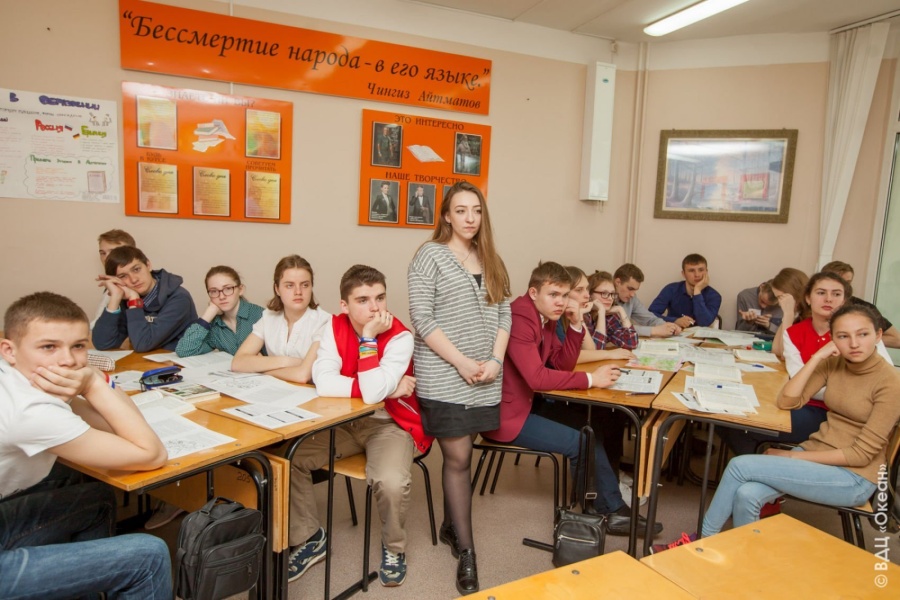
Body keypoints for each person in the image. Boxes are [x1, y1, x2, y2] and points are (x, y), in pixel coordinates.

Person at [653, 304, 900, 552]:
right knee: (747, 494)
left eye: (863, 334)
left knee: (739, 466)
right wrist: (816, 358)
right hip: (817, 452)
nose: (854, 344)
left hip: (854, 476)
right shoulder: (835, 364)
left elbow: (860, 455)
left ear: (878, 335)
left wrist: (790, 456)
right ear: (833, 339)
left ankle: (700, 543)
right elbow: (787, 401)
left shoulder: (891, 383)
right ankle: (747, 562)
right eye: (843, 336)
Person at [0, 291, 171, 598]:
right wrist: (92, 382)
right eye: (49, 347)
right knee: (150, 556)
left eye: (78, 346)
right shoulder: (30, 410)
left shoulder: (15, 378)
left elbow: (111, 425)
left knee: (97, 499)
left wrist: (94, 384)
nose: (68, 360)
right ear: (9, 350)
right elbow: (152, 454)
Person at [483, 262, 662, 538]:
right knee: (581, 441)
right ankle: (608, 510)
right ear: (534, 292)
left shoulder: (547, 316)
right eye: (554, 294)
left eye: (565, 295)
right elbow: (536, 378)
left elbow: (561, 363)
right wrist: (591, 380)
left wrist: (577, 325)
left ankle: (604, 504)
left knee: (592, 426)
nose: (561, 302)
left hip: (530, 404)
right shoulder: (521, 316)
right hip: (506, 415)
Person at [287, 265, 432, 586]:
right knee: (290, 458)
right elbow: (325, 383)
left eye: (380, 298)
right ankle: (310, 537)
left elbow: (372, 391)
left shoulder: (400, 336)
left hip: (390, 424)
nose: (375, 308)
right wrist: (383, 389)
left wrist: (368, 339)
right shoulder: (332, 325)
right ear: (344, 305)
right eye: (363, 300)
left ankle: (394, 547)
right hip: (345, 422)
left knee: (391, 482)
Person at [408, 181, 511, 595]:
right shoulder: (429, 255)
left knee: (464, 452)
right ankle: (467, 551)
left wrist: (496, 361)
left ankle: (451, 525)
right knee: (459, 457)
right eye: (461, 210)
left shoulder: (492, 259)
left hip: (485, 377)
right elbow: (422, 318)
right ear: (447, 216)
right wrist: (462, 363)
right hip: (445, 375)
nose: (470, 218)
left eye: (477, 210)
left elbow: (504, 313)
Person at [722, 271, 893, 456]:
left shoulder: (860, 334)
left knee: (742, 427)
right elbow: (799, 381)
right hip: (801, 403)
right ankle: (762, 466)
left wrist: (833, 391)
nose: (829, 299)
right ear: (808, 298)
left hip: (842, 417)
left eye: (836, 294)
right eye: (821, 293)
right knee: (730, 417)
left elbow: (886, 380)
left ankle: (763, 466)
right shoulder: (795, 332)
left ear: (844, 300)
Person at [232, 255, 330, 384]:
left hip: (310, 393)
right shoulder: (268, 317)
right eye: (289, 285)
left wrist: (261, 369)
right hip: (275, 390)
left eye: (305, 285)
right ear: (277, 289)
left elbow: (302, 376)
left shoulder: (324, 321)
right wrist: (287, 362)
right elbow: (238, 363)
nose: (298, 291)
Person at [92, 246, 197, 352]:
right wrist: (115, 297)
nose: (134, 279)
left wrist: (134, 301)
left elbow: (143, 344)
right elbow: (102, 344)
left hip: (176, 360)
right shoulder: (127, 297)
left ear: (148, 265)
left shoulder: (179, 298)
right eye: (123, 276)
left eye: (136, 269)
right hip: (144, 359)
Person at [176, 266, 264, 357]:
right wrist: (209, 313)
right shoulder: (214, 326)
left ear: (240, 290)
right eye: (214, 291)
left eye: (228, 289)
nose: (221, 297)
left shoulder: (261, 316)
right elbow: (184, 350)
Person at [821, 260, 900, 349]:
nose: (844, 287)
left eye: (847, 283)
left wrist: (862, 338)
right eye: (838, 282)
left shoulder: (863, 307)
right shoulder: (813, 305)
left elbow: (897, 340)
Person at [649, 254, 721, 328]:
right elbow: (650, 315)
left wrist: (697, 292)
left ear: (706, 272)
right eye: (691, 270)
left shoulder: (714, 296)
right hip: (674, 331)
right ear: (683, 274)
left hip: (700, 334)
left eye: (701, 270)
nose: (697, 275)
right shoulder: (671, 289)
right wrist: (674, 320)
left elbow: (704, 323)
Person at [612, 263, 681, 337]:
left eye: (635, 290)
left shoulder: (631, 298)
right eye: (630, 289)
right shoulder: (605, 298)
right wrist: (653, 331)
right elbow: (617, 329)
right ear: (618, 282)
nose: (632, 294)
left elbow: (649, 319)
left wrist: (668, 326)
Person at [91, 229, 136, 329]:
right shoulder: (110, 283)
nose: (106, 258)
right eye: (103, 253)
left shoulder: (137, 284)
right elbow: (97, 324)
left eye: (114, 252)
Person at [587, 270, 639, 352]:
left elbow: (632, 343)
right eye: (604, 293)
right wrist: (601, 313)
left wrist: (621, 310)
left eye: (612, 294)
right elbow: (596, 352)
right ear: (589, 294)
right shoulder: (584, 315)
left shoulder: (609, 316)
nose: (610, 298)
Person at [769, 267, 809, 359]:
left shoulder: (810, 319)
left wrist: (788, 314)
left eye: (781, 297)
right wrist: (787, 315)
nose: (779, 303)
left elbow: (785, 354)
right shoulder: (796, 314)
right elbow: (776, 349)